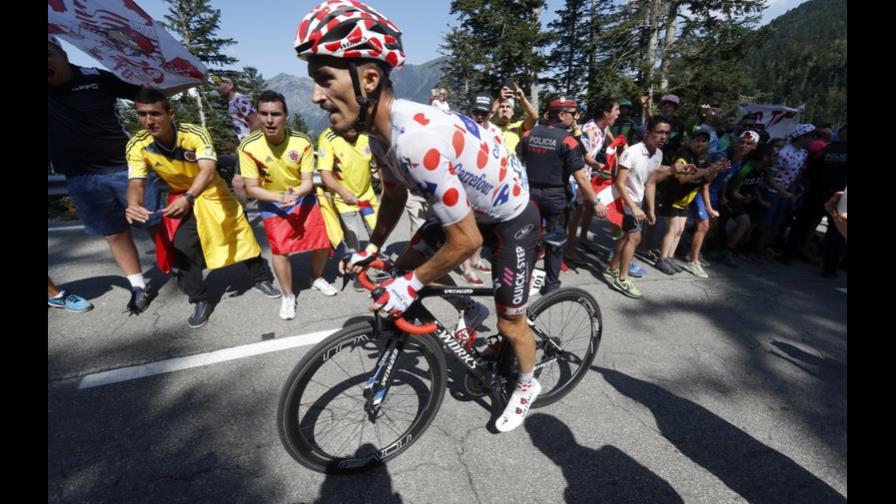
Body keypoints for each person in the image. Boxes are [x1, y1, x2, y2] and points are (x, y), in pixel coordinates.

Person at [296, 0, 542, 431]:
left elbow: (467, 243)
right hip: (474, 211)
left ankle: (526, 383)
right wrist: (372, 247)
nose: (316, 95)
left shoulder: (414, 143)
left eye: (324, 79)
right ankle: (468, 307)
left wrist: (408, 286)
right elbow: (392, 194)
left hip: (510, 220)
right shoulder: (379, 133)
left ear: (369, 79)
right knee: (404, 266)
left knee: (511, 321)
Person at [125, 88, 280, 329]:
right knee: (182, 246)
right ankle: (199, 299)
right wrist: (134, 204)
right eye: (142, 114)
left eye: (155, 114)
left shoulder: (195, 133)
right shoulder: (137, 145)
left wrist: (189, 196)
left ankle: (261, 277)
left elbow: (207, 170)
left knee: (238, 233)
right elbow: (136, 181)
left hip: (212, 192)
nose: (149, 120)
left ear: (171, 114)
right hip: (181, 198)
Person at [48, 34, 173, 314]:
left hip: (125, 169)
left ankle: (176, 266)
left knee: (152, 221)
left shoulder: (96, 78)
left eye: (48, 56)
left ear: (63, 56)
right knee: (114, 233)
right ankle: (138, 285)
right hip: (81, 178)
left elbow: (146, 98)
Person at [239, 90, 339, 320]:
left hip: (302, 196)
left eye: (275, 114)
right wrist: (279, 198)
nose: (269, 119)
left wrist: (296, 194)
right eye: (263, 114)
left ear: (285, 116)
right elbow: (252, 188)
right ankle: (288, 295)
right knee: (280, 250)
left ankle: (316, 278)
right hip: (272, 201)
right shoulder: (248, 146)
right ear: (258, 115)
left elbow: (306, 182)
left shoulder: (301, 141)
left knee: (322, 243)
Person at [214, 75, 261, 206]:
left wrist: (246, 143)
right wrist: (234, 144)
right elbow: (242, 128)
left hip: (249, 146)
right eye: (216, 85)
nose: (217, 87)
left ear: (231, 86)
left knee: (237, 182)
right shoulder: (231, 102)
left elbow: (256, 121)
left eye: (220, 84)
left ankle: (242, 215)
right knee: (217, 161)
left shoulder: (239, 99)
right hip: (243, 146)